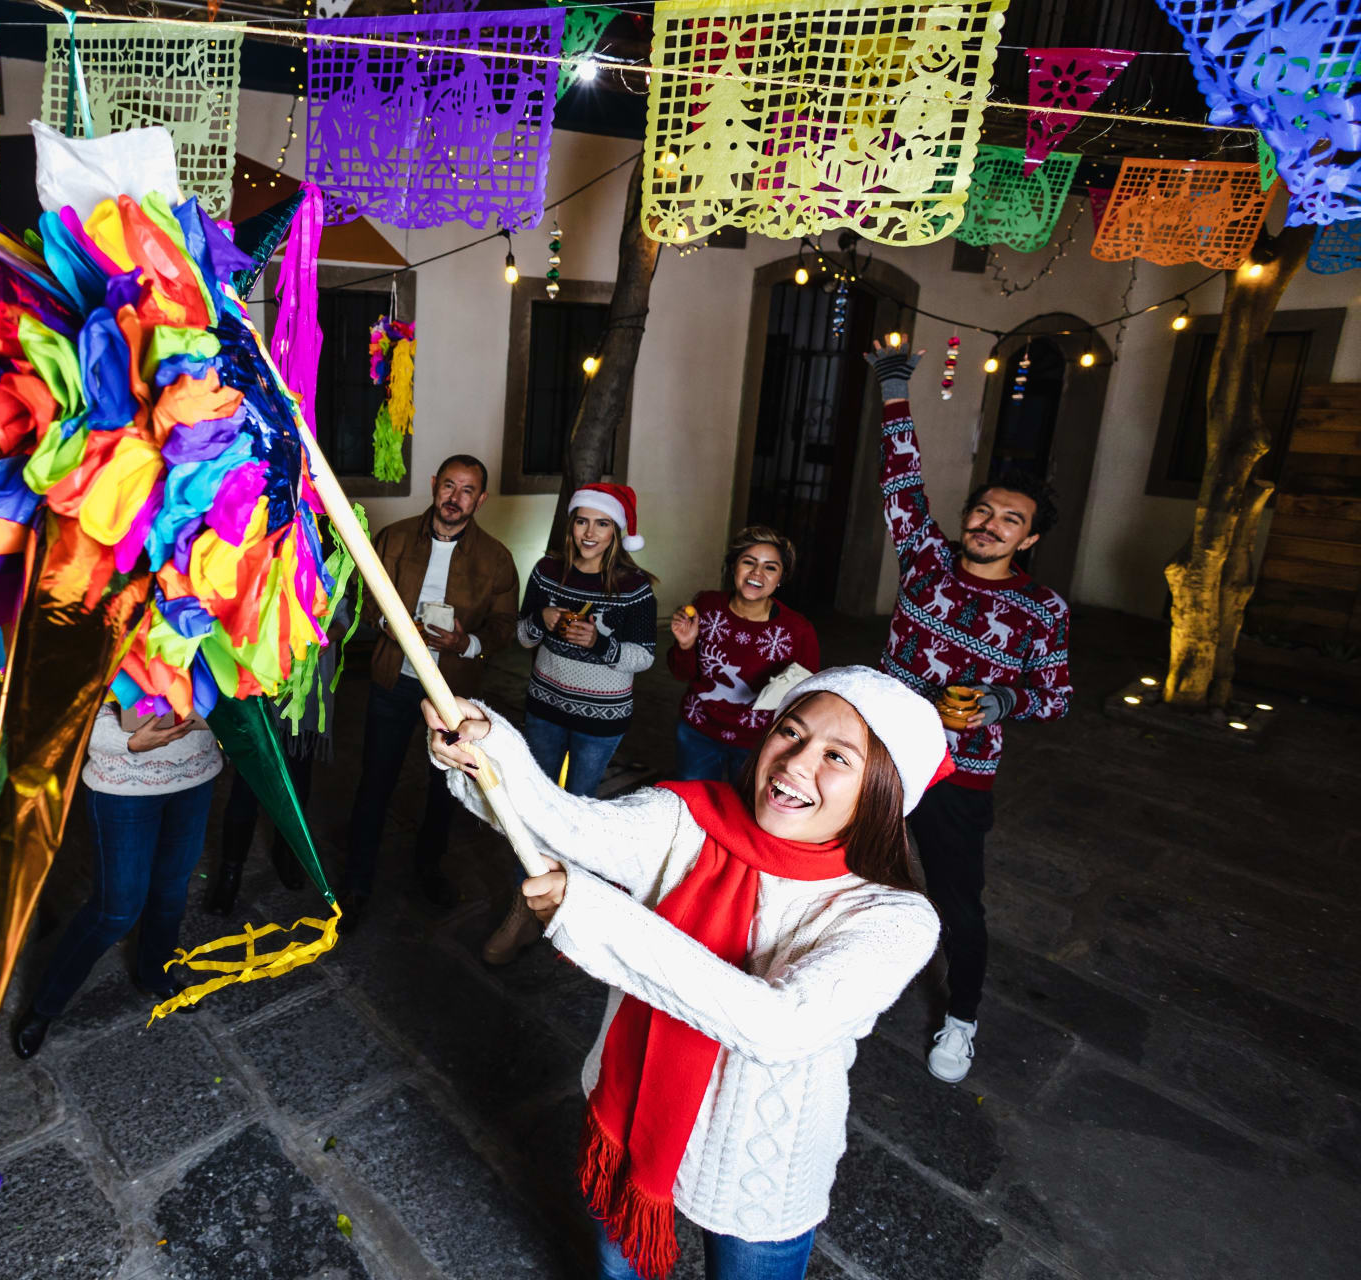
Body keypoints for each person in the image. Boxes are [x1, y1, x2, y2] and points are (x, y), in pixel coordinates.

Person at [424, 667, 946, 1280]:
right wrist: (488, 749)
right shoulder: (690, 818)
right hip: (632, 1111)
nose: (795, 763)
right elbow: (566, 826)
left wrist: (598, 915)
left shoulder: (893, 919)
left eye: (837, 756)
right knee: (618, 1270)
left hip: (757, 1165)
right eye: (791, 732)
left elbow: (781, 1025)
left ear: (883, 791)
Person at [865, 343, 1072, 1085]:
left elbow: (1055, 696)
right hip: (884, 748)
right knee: (844, 866)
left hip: (960, 770)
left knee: (958, 902)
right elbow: (902, 479)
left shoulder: (1041, 609)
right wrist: (894, 390)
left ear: (1030, 538)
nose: (989, 524)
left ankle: (961, 1019)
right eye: (983, 511)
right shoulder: (926, 559)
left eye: (1010, 520)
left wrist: (1002, 700)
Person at [482, 483, 657, 966]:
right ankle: (522, 911)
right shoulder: (547, 571)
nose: (590, 533)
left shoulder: (632, 586)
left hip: (602, 718)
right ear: (570, 525)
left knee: (577, 816)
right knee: (531, 809)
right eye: (582, 521)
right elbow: (522, 637)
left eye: (602, 523)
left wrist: (599, 642)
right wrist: (542, 617)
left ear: (617, 531)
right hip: (546, 707)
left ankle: (568, 915)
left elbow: (644, 657)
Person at [342, 454, 519, 929]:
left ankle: (429, 868)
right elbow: (362, 594)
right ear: (434, 484)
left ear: (480, 499)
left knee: (445, 788)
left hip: (453, 696)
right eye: (449, 486)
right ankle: (357, 882)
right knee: (375, 781)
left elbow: (505, 625)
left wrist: (467, 643)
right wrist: (392, 628)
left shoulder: (496, 558)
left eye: (467, 490)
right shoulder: (394, 537)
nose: (455, 498)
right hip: (393, 681)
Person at [12, 701, 223, 1059]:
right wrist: (122, 741)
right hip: (123, 780)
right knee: (116, 910)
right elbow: (64, 701)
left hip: (196, 773)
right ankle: (45, 1005)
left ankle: (155, 975)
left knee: (171, 891)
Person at [667, 526, 820, 784]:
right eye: (748, 562)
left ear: (781, 577)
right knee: (694, 802)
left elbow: (807, 696)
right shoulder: (706, 605)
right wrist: (685, 644)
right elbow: (681, 673)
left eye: (770, 567)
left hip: (759, 742)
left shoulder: (798, 630)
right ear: (733, 567)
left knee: (746, 805)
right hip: (698, 731)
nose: (757, 573)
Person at [208, 639, 338, 915]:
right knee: (246, 787)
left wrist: (324, 638)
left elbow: (342, 619)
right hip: (261, 679)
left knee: (297, 783)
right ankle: (230, 871)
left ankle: (286, 853)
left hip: (305, 686)